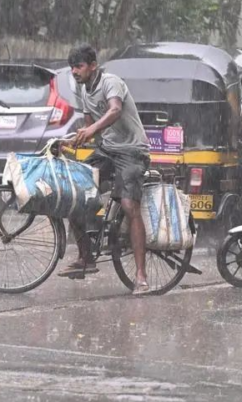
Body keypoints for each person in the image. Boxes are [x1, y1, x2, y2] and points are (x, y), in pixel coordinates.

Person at [61, 45, 153, 296]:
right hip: (107, 150)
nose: (74, 71)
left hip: (132, 151)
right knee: (74, 192)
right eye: (72, 67)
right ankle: (86, 257)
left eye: (78, 66)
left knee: (128, 205)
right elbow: (92, 129)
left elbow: (114, 110)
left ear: (93, 66)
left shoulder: (111, 82)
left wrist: (90, 131)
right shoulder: (81, 88)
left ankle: (141, 276)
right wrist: (73, 139)